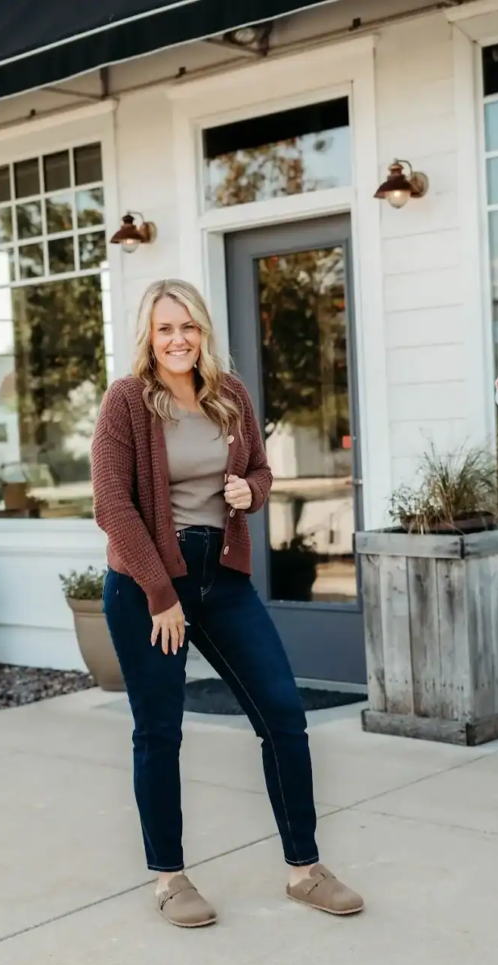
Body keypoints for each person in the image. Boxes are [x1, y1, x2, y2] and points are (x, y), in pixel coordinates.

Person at [92, 279, 364, 928]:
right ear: (148, 337)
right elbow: (113, 505)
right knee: (159, 731)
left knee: (283, 714)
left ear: (203, 331)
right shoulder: (127, 402)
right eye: (164, 329)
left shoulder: (230, 396)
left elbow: (261, 471)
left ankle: (304, 868)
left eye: (187, 326)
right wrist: (160, 595)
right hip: (147, 586)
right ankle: (169, 878)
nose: (178, 339)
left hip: (223, 577)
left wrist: (250, 490)